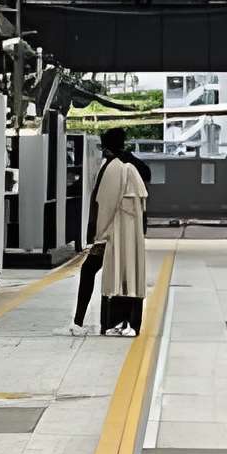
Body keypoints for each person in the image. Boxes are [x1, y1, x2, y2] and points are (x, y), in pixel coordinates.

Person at [74, 130, 149, 334]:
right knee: (125, 275)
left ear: (106, 147)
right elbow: (146, 179)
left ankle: (79, 320)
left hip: (109, 235)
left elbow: (104, 203)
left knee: (89, 270)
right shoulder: (129, 165)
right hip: (128, 234)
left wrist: (97, 234)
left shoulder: (113, 167)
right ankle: (124, 321)